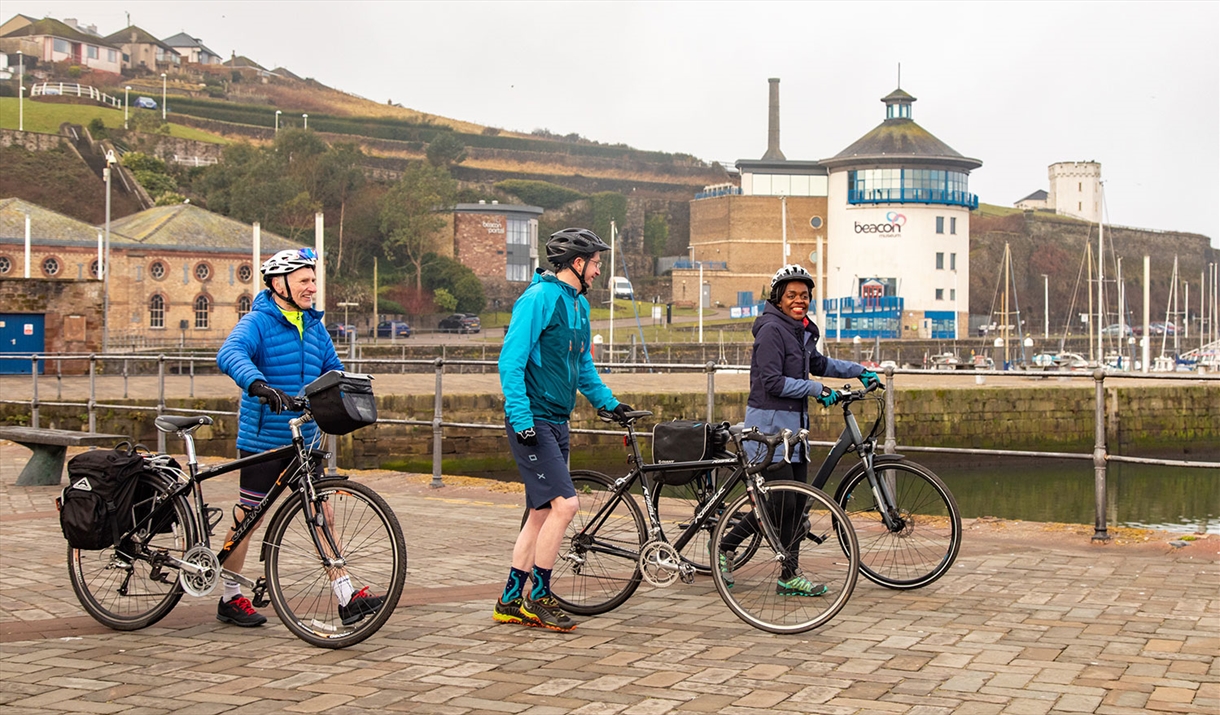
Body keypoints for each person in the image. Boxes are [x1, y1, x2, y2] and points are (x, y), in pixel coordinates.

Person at [215, 247, 382, 627]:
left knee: (322, 514)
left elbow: (332, 372)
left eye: (313, 280)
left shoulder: (314, 326)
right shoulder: (258, 321)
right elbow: (230, 353)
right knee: (248, 519)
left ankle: (346, 597)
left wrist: (351, 390)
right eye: (305, 280)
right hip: (264, 439)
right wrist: (258, 385)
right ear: (279, 283)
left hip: (303, 438)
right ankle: (229, 596)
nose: (312, 288)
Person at [494, 228, 633, 632]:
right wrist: (521, 423)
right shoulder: (539, 299)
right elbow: (511, 363)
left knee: (540, 512)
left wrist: (609, 404)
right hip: (532, 419)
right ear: (577, 263)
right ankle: (538, 596)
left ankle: (508, 601)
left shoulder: (579, 306)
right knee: (566, 506)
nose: (599, 270)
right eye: (596, 262)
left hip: (557, 419)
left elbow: (583, 367)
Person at [717, 264, 881, 596]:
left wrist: (858, 370)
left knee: (796, 505)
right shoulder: (770, 330)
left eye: (804, 296)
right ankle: (725, 546)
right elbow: (772, 381)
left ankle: (789, 576)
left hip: (796, 431)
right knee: (777, 503)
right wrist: (816, 389)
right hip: (768, 428)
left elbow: (818, 364)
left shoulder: (800, 331)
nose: (799, 301)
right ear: (778, 298)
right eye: (791, 295)